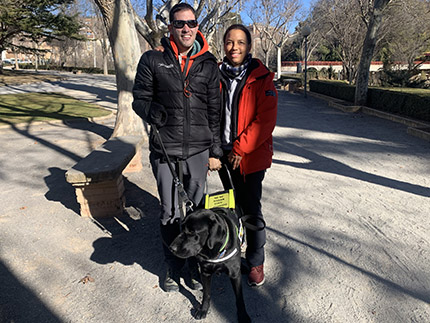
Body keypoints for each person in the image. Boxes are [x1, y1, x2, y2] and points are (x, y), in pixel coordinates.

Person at [132, 3, 222, 293]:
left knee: (197, 213)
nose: (186, 28)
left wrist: (215, 151)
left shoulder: (209, 63)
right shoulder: (152, 60)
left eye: (191, 23)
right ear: (170, 27)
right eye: (180, 23)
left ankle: (195, 266)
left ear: (198, 26)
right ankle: (173, 267)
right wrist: (151, 110)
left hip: (198, 150)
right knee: (170, 212)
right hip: (165, 150)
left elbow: (215, 109)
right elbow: (139, 97)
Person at [218, 24, 277, 287]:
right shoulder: (215, 74)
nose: (235, 47)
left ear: (249, 47)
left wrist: (241, 149)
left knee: (252, 210)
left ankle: (255, 261)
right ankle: (233, 253)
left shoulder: (261, 77)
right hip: (223, 155)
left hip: (249, 157)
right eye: (230, 42)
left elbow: (265, 120)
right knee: (233, 207)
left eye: (241, 42)